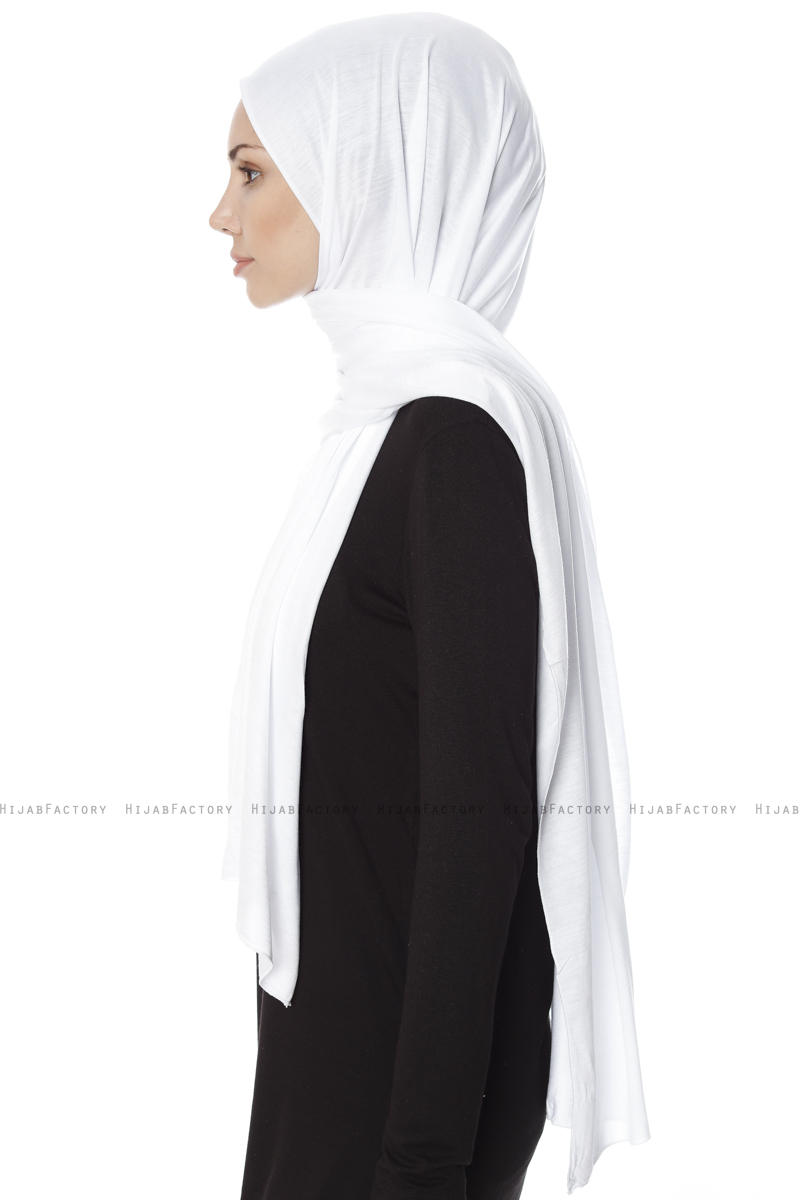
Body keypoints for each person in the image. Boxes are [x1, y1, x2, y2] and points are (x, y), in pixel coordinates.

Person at [210, 14, 649, 1200]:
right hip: (339, 1048)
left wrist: (420, 1161)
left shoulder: (450, 442)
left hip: (408, 1100)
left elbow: (478, 819)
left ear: (366, 171)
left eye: (250, 172)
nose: (220, 214)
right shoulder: (375, 433)